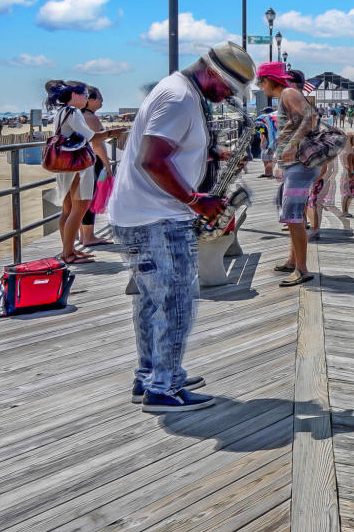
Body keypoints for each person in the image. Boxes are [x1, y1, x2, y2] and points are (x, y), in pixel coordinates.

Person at [109, 42, 256, 412]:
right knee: (175, 304)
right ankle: (164, 387)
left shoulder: (179, 90)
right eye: (226, 88)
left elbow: (167, 149)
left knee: (150, 301)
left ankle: (151, 374)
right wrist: (195, 200)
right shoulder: (179, 98)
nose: (226, 97)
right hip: (156, 218)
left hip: (141, 214)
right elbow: (151, 159)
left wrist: (211, 153)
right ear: (211, 73)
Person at [257, 61, 317, 287]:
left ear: (269, 80)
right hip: (295, 165)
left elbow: (310, 117)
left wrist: (292, 142)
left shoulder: (288, 93)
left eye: (260, 81)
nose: (260, 87)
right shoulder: (287, 95)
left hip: (299, 164)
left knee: (292, 215)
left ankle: (302, 269)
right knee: (294, 214)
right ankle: (294, 260)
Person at [44, 80, 105, 265]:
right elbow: (91, 136)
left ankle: (68, 249)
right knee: (79, 209)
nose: (86, 98)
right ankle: (68, 254)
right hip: (78, 166)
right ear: (74, 95)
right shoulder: (73, 111)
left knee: (68, 209)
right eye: (84, 95)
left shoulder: (61, 112)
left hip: (65, 166)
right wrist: (115, 133)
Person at [77, 85, 119, 250]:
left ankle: (83, 235)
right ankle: (88, 236)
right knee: (90, 198)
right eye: (100, 98)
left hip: (82, 161)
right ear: (91, 100)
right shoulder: (90, 117)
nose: (102, 102)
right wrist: (108, 165)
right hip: (92, 162)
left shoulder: (78, 115)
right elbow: (97, 144)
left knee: (82, 199)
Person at [307, 154, 351, 240]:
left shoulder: (327, 151)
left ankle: (316, 229)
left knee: (324, 204)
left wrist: (326, 180)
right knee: (319, 204)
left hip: (325, 181)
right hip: (320, 180)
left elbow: (333, 169)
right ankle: (316, 228)